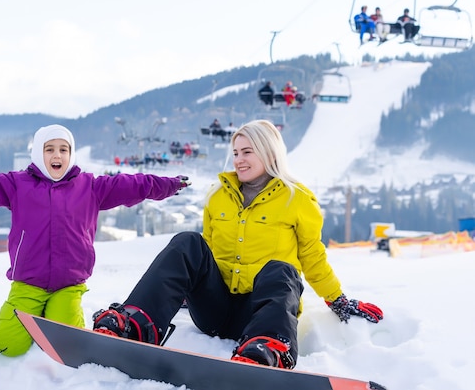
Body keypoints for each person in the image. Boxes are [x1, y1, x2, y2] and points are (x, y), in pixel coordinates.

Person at [92, 119, 383, 369]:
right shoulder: (218, 195)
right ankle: (134, 323)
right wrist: (180, 291)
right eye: (235, 153)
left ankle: (269, 347)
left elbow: (312, 255)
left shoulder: (298, 200)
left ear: (269, 152)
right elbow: (203, 254)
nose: (239, 159)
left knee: (282, 270)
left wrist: (337, 299)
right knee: (188, 242)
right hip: (214, 312)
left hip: (259, 314)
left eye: (247, 152)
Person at [0, 124, 190, 357]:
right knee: (8, 346)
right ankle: (23, 320)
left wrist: (170, 185)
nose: (57, 155)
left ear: (71, 154)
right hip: (28, 284)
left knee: (67, 346)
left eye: (63, 149)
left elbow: (133, 185)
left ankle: (56, 314)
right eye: (49, 149)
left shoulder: (90, 187)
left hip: (68, 285)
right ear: (38, 154)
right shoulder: (17, 185)